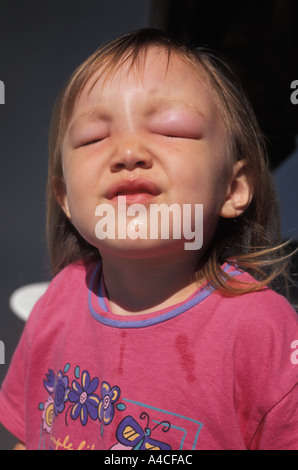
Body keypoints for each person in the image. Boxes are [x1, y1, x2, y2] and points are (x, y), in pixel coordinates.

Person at [0, 28, 297, 451]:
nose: (128, 151)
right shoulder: (58, 302)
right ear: (65, 198)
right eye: (93, 138)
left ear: (234, 188)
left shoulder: (265, 334)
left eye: (171, 129)